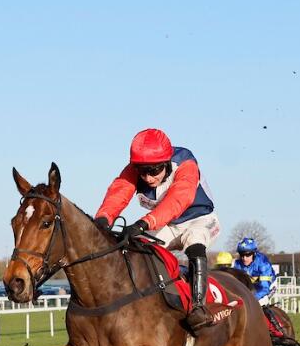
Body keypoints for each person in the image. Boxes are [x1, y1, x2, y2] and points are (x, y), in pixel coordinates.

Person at [94, 128, 220, 333]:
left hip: (200, 220)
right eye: (142, 171)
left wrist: (145, 223)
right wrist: (102, 219)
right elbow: (119, 192)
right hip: (166, 225)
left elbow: (178, 199)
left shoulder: (185, 163)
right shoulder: (136, 171)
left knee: (194, 242)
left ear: (166, 163)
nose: (148, 177)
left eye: (153, 170)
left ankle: (198, 307)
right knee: (136, 249)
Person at [233, 237, 277, 305]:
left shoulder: (263, 263)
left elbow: (264, 288)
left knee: (258, 304)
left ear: (254, 254)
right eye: (242, 255)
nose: (244, 258)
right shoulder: (237, 264)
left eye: (247, 255)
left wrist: (250, 298)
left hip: (267, 286)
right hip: (250, 288)